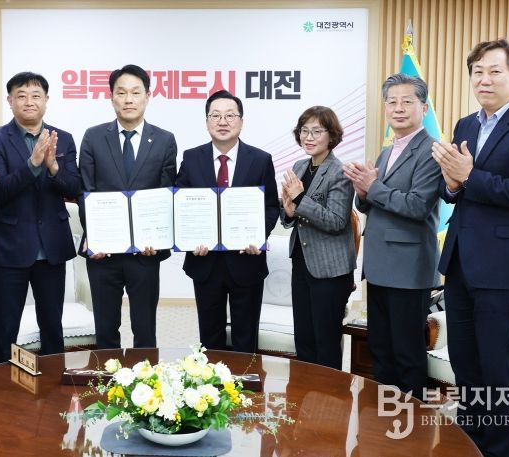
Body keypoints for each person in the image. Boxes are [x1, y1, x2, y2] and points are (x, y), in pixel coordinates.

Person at [431, 39, 509, 456]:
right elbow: (452, 191)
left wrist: (469, 176)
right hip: (461, 261)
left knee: (496, 364)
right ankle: (469, 443)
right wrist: (452, 184)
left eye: (495, 71)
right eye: (477, 72)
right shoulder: (465, 125)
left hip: (505, 266)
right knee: (464, 362)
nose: (484, 80)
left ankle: (500, 449)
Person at [343, 74, 442, 397]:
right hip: (380, 265)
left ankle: (411, 422)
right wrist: (362, 192)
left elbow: (417, 206)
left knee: (406, 352)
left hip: (408, 268)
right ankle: (383, 417)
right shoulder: (388, 150)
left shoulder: (432, 150)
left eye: (407, 101)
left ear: (423, 108)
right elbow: (373, 203)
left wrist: (372, 186)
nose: (398, 108)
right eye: (392, 102)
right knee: (381, 348)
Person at [0, 72, 81, 363]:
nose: (29, 101)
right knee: (5, 328)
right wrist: (33, 164)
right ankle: (2, 388)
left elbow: (75, 188)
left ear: (46, 101)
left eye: (36, 96)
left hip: (52, 246)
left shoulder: (64, 139)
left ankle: (53, 386)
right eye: (21, 96)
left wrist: (53, 169)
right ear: (9, 100)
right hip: (10, 247)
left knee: (52, 326)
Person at [78, 64, 177, 349]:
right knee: (105, 329)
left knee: (145, 329)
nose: (128, 99)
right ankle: (106, 377)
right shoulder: (94, 137)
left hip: (145, 253)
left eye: (135, 92)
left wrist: (158, 239)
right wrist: (95, 236)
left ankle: (146, 378)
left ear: (148, 96)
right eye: (121, 93)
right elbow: (86, 192)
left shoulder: (164, 140)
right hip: (104, 253)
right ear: (112, 97)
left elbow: (166, 194)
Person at [175, 90, 279, 353]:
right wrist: (189, 240)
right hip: (205, 262)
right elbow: (180, 206)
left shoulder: (260, 159)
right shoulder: (191, 158)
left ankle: (246, 381)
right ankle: (211, 380)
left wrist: (258, 237)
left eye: (230, 115)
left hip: (247, 260)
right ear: (207, 121)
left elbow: (270, 207)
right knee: (209, 338)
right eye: (215, 115)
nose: (223, 122)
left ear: (241, 121)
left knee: (246, 337)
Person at [280, 106, 356, 370]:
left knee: (326, 341)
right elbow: (292, 215)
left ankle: (330, 394)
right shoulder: (299, 166)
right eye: (304, 131)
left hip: (330, 269)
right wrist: (288, 212)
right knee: (303, 337)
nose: (308, 137)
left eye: (316, 131)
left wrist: (300, 198)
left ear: (331, 135)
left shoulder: (340, 171)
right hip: (301, 262)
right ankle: (305, 393)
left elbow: (336, 221)